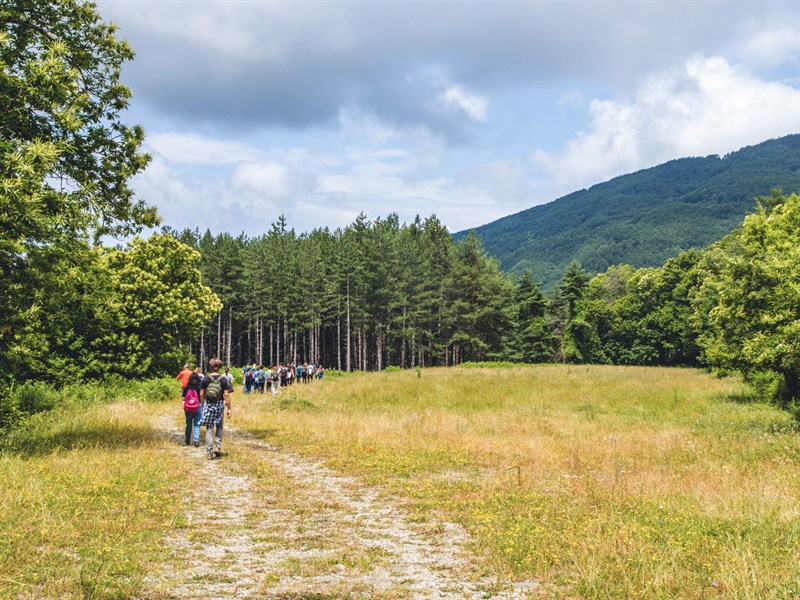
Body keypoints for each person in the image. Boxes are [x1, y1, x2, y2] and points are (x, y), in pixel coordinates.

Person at [199, 358, 232, 459]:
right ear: (220, 367)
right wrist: (229, 408)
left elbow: (201, 393)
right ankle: (217, 447)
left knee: (209, 428)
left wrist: (203, 405)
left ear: (211, 367)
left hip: (209, 405)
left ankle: (209, 452)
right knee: (219, 426)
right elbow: (226, 395)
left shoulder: (205, 379)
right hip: (219, 405)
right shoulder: (223, 379)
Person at [184, 372, 203, 446]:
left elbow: (183, 397)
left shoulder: (187, 387)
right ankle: (196, 440)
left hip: (188, 407)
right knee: (197, 424)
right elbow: (201, 396)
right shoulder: (199, 387)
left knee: (188, 424)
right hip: (198, 406)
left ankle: (187, 440)